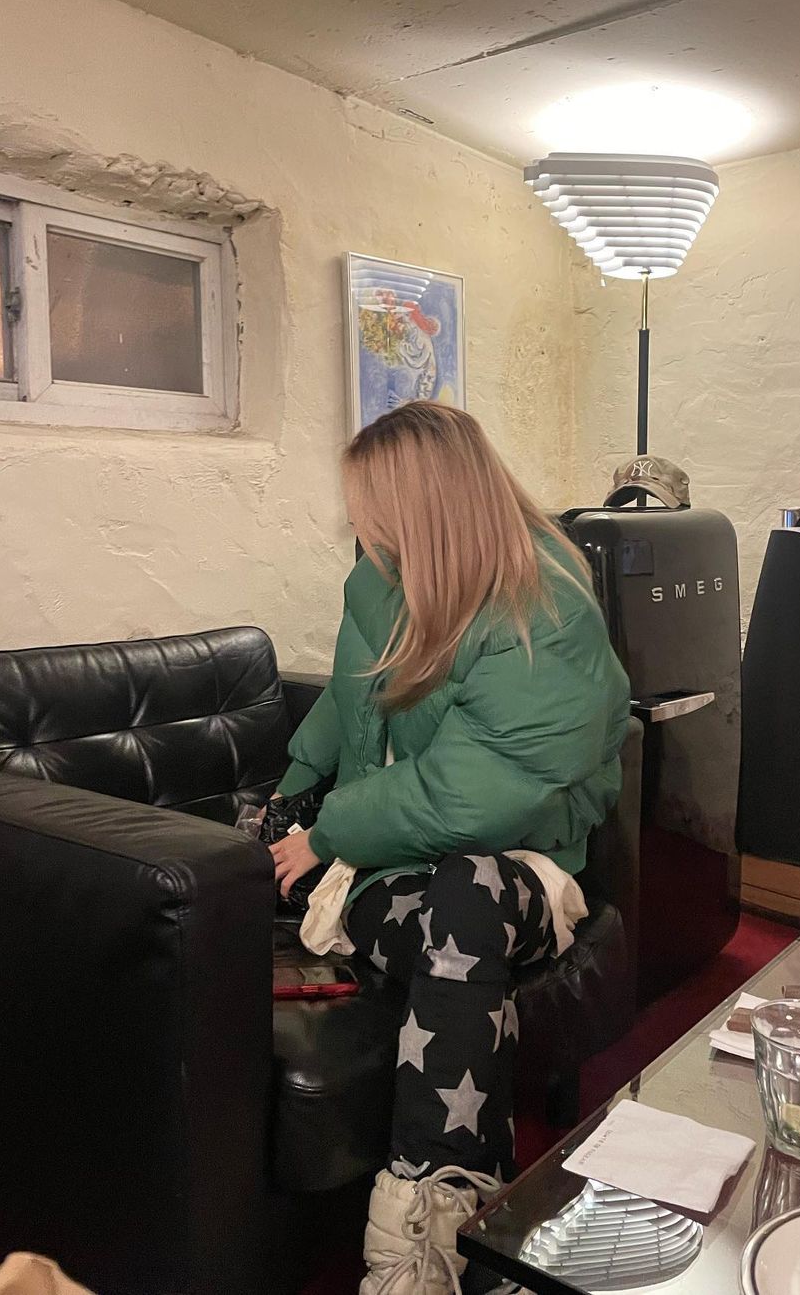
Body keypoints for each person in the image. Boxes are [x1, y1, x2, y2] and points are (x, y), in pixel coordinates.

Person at [266, 402, 630, 1295]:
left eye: (369, 507)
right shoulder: (380, 577)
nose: (357, 525)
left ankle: (419, 1232)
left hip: (519, 868)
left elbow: (470, 794)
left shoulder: (547, 609)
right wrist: (291, 795)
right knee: (456, 942)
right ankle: (476, 1229)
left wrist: (327, 832)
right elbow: (348, 697)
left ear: (422, 507)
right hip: (389, 867)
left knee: (468, 889)